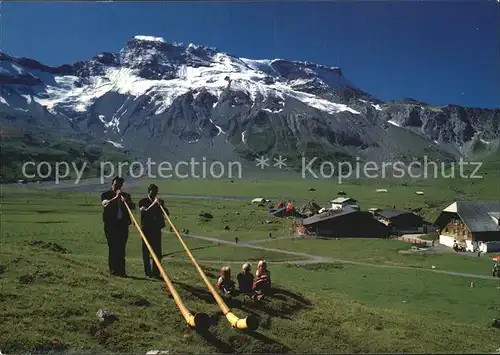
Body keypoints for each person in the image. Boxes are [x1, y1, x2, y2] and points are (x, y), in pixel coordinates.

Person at [100, 176, 135, 277]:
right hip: (111, 225)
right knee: (113, 247)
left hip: (122, 225)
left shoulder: (126, 195)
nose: (117, 187)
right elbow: (105, 204)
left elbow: (133, 206)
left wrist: (126, 201)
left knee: (121, 248)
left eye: (119, 185)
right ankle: (114, 270)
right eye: (116, 185)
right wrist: (116, 197)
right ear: (112, 184)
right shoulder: (105, 194)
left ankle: (122, 271)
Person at [138, 184, 168, 279]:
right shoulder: (142, 201)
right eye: (153, 191)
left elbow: (166, 213)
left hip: (156, 229)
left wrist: (161, 206)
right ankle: (148, 272)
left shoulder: (159, 201)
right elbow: (145, 212)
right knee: (146, 252)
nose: (155, 193)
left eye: (156, 191)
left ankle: (156, 272)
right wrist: (154, 205)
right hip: (146, 230)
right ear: (149, 191)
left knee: (157, 252)